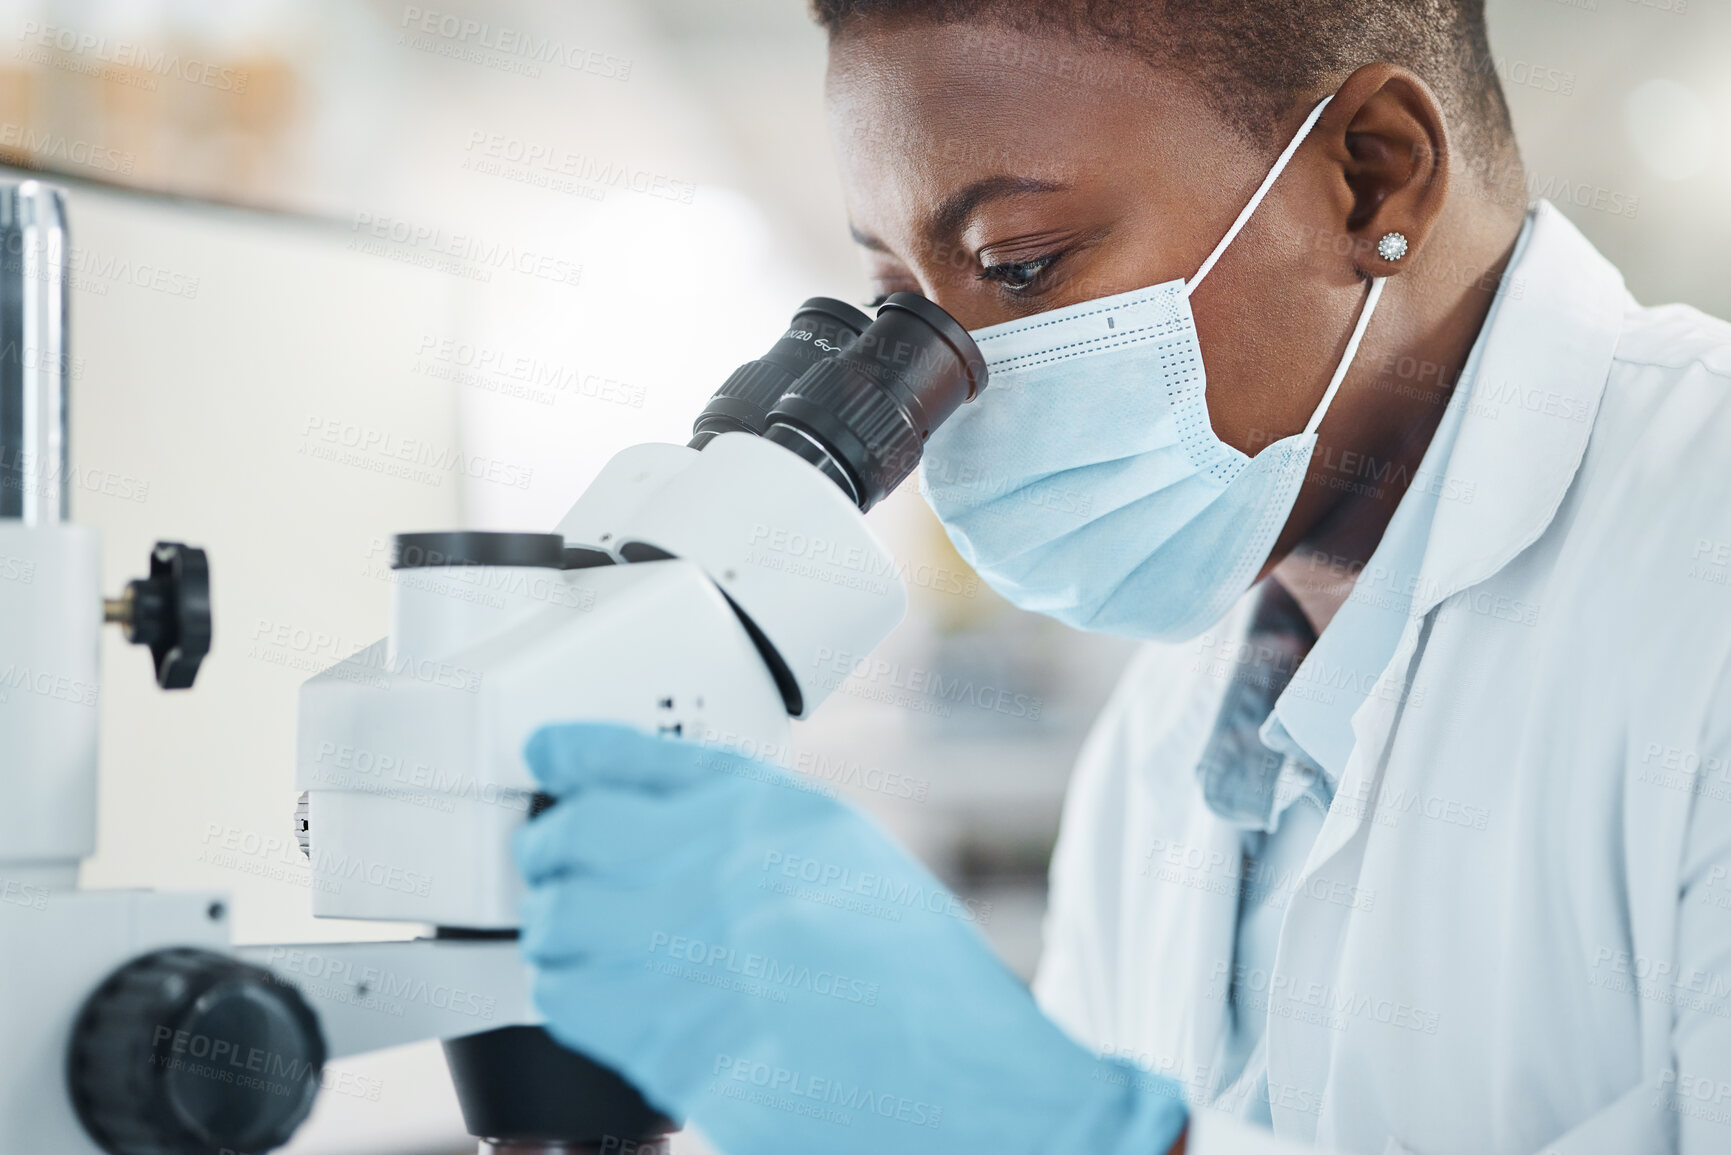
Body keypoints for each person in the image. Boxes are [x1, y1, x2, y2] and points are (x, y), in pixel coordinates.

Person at [515, 2, 1731, 1152]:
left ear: (1372, 177)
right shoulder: (1172, 730)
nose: (949, 393)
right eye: (898, 300)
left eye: (1023, 264)